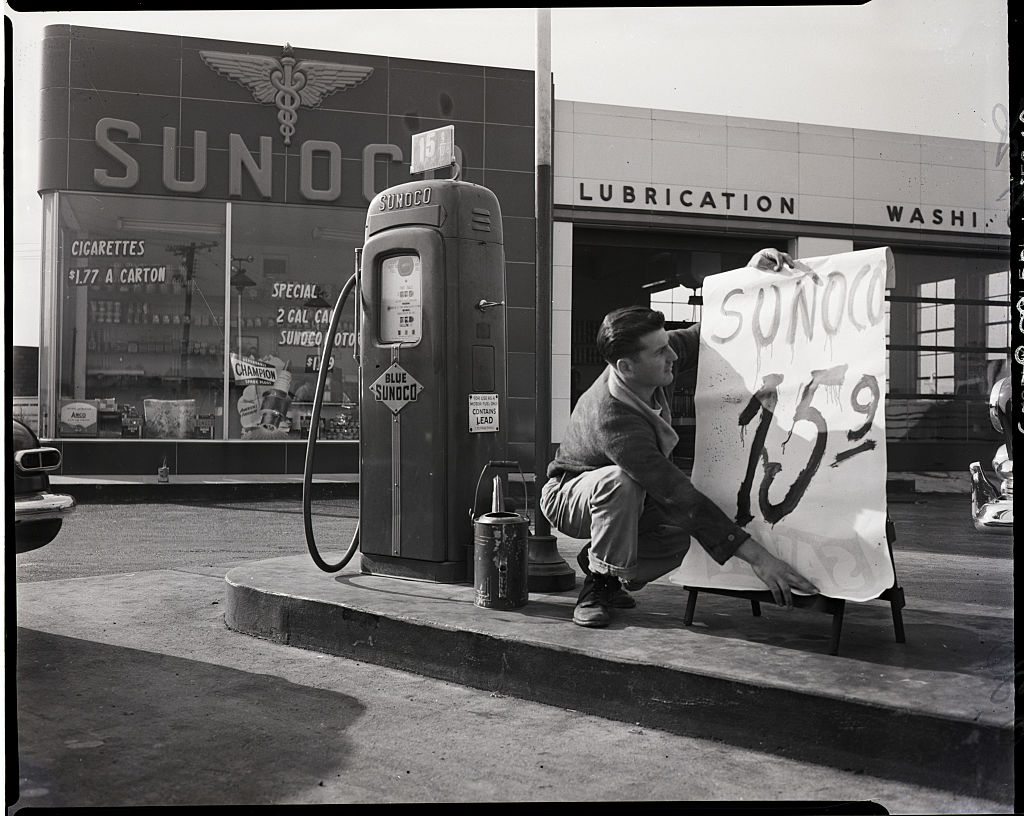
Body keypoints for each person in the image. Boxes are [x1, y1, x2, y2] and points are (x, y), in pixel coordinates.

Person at [540, 248, 819, 628]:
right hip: (570, 495)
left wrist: (754, 281)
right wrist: (760, 558)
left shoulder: (653, 357)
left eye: (668, 343)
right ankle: (599, 585)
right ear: (626, 367)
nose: (673, 354)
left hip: (631, 498)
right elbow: (675, 493)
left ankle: (603, 562)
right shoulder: (614, 417)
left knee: (673, 540)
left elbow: (711, 333)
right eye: (660, 352)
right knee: (620, 483)